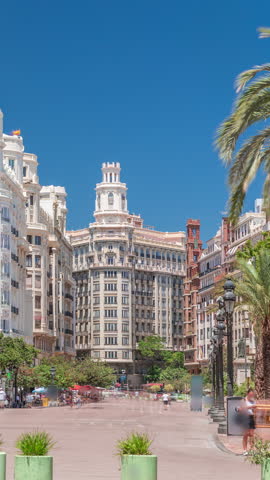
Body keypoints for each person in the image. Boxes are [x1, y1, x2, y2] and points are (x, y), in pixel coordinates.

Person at [241, 388, 257, 455]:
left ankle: (252, 449)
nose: (251, 396)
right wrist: (251, 407)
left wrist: (254, 410)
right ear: (247, 394)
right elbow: (241, 408)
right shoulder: (244, 400)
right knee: (245, 434)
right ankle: (245, 450)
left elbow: (254, 410)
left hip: (251, 417)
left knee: (252, 435)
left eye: (252, 395)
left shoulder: (253, 401)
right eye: (250, 394)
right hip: (245, 417)